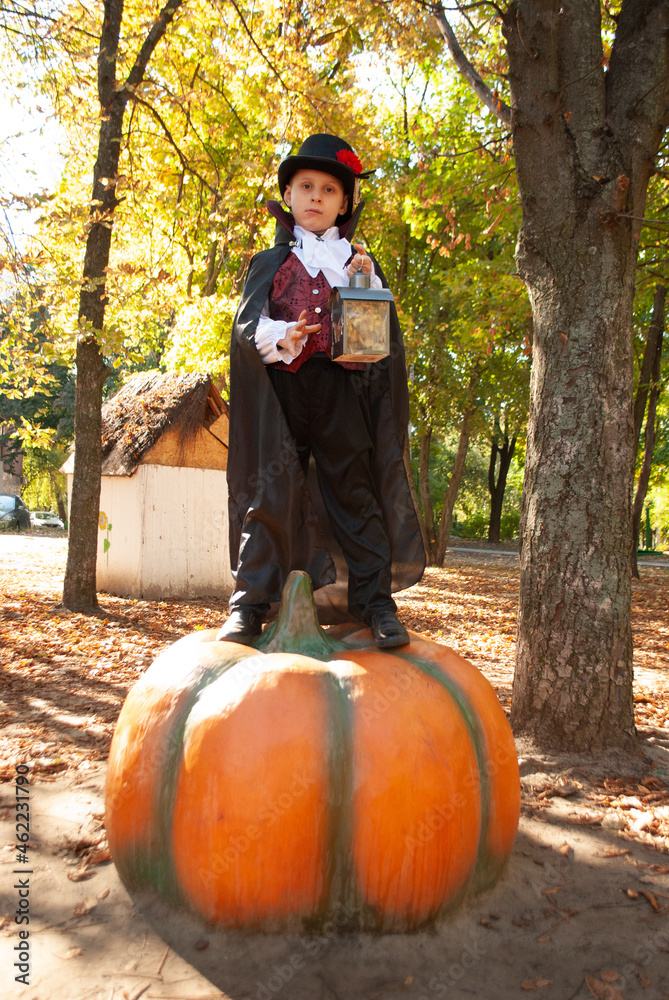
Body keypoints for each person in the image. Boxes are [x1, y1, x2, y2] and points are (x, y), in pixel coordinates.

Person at [219, 133, 425, 648]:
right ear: (287, 196)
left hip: (341, 396)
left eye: (329, 189)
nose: (315, 197)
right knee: (270, 495)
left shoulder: (359, 263)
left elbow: (377, 340)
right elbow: (248, 331)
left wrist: (367, 287)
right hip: (283, 397)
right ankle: (248, 607)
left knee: (355, 496)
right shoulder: (268, 264)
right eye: (305, 186)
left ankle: (376, 605)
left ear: (344, 201)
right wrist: (279, 337)